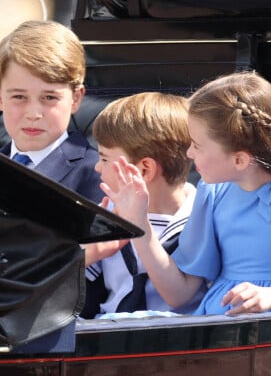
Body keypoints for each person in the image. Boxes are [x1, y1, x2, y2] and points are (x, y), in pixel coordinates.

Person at [101, 71, 271, 316]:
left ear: (239, 160)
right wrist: (140, 224)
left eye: (196, 145)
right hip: (215, 322)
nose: (189, 154)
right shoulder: (213, 192)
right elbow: (178, 295)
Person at [82, 92, 206, 317]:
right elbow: (71, 281)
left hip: (172, 340)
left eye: (105, 159)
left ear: (144, 169)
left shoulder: (201, 218)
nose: (97, 168)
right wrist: (90, 251)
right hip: (104, 335)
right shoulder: (108, 213)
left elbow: (178, 297)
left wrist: (138, 226)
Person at [0, 20, 103, 203]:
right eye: (19, 97)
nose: (33, 114)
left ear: (75, 98)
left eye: (49, 98)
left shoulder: (96, 175)